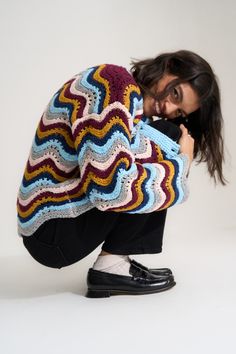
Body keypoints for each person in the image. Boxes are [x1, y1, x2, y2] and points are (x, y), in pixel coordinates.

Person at [16, 50, 226, 298]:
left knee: (164, 138)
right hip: (50, 226)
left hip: (54, 226)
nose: (168, 107)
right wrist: (181, 164)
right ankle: (111, 267)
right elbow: (108, 189)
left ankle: (116, 262)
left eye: (179, 112)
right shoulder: (113, 83)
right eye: (175, 93)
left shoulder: (136, 112)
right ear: (168, 67)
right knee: (168, 139)